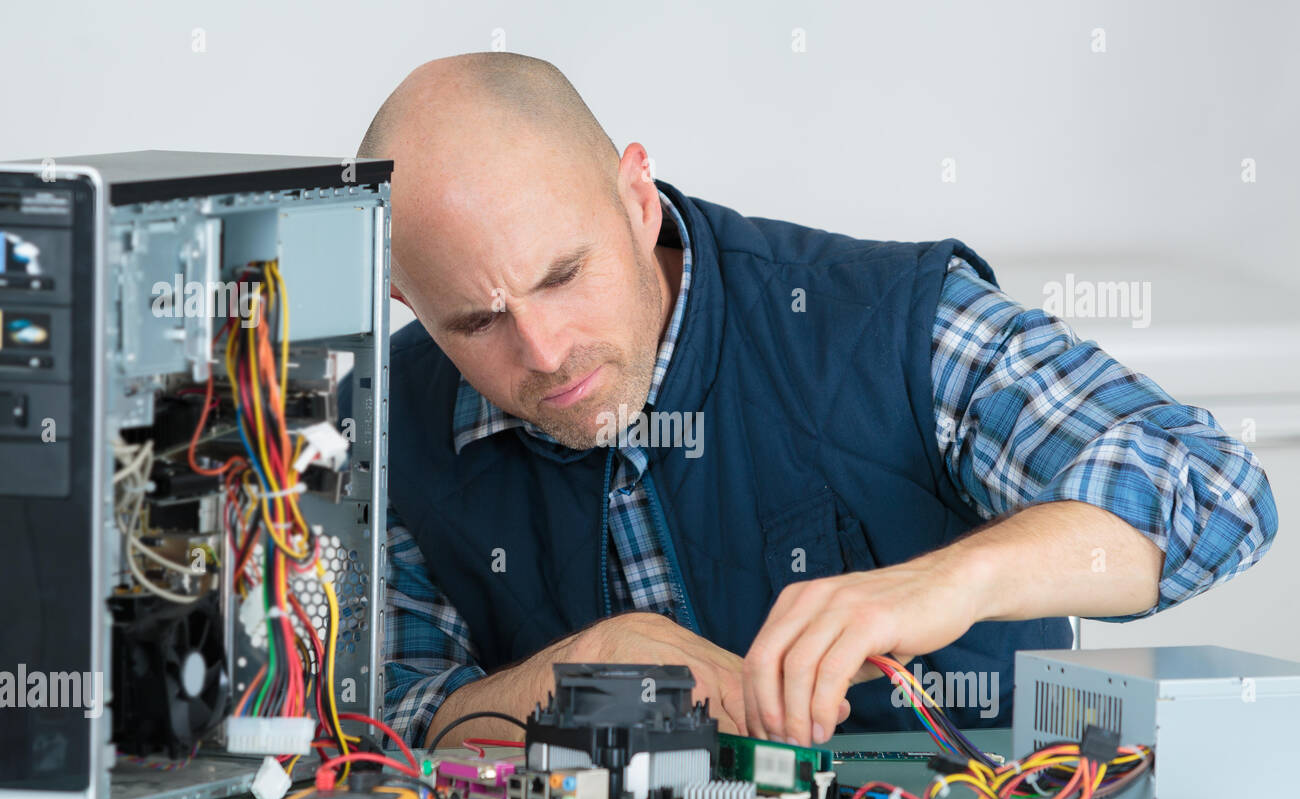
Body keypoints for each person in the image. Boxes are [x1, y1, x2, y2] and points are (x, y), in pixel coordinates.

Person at [354, 52, 1277, 750]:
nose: (546, 352)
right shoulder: (385, 423)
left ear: (637, 199)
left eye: (564, 274)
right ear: (407, 303)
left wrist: (941, 585)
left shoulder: (886, 322)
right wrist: (563, 680)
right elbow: (383, 727)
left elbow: (1209, 489)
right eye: (478, 322)